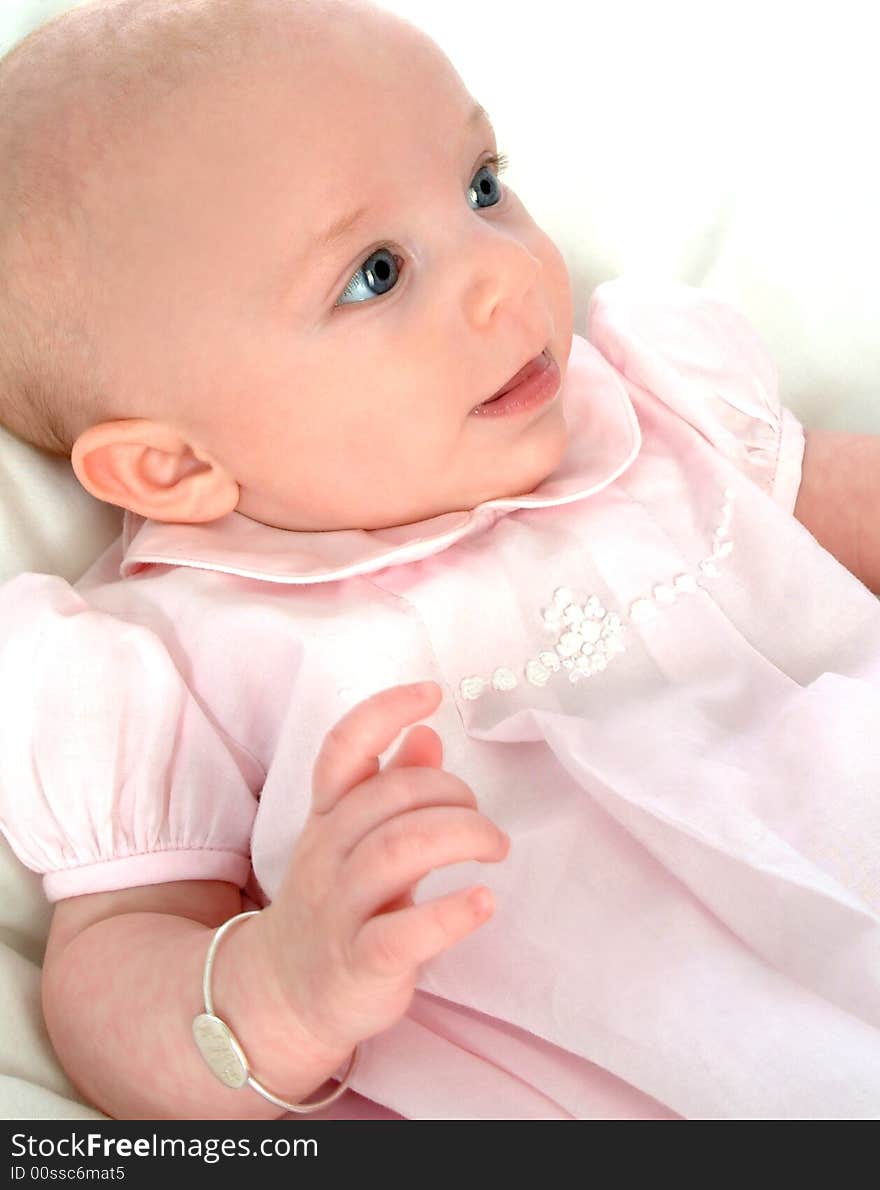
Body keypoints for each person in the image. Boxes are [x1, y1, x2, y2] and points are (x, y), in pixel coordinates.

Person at [1, 0, 878, 1121]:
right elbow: (109, 967)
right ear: (172, 468)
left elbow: (845, 499)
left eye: (480, 185)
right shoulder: (172, 655)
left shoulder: (650, 408)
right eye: (375, 272)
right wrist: (275, 989)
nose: (501, 276)